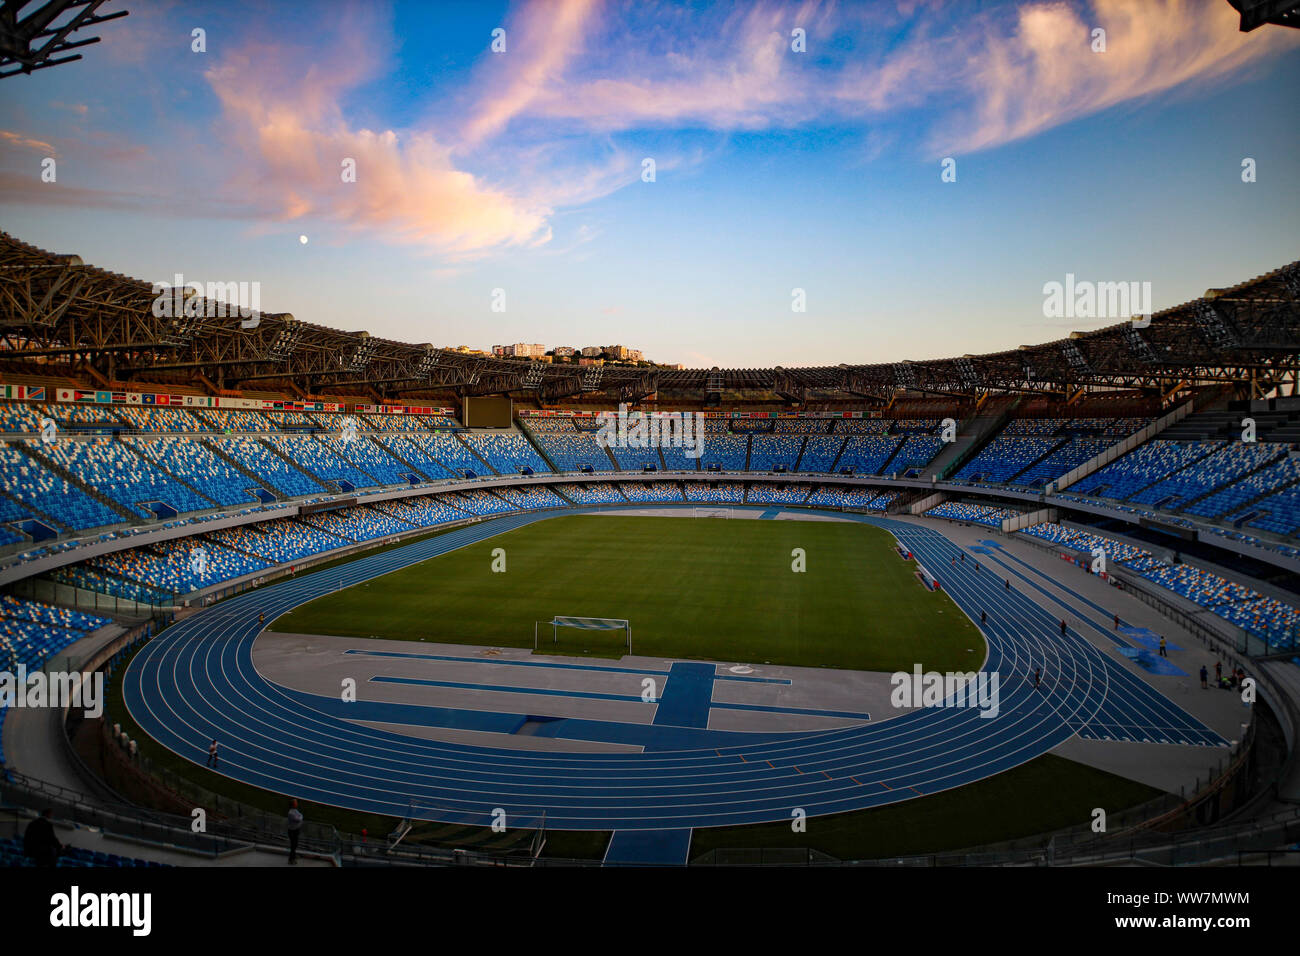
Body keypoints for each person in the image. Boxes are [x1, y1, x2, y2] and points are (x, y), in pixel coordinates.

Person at [287, 799, 304, 865]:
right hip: (292, 831)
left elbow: (300, 815)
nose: (297, 803)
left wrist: (300, 816)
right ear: (293, 804)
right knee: (293, 846)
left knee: (295, 845)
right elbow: (299, 818)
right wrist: (301, 816)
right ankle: (291, 860)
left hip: (296, 830)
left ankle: (293, 856)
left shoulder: (295, 810)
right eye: (296, 802)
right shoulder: (291, 813)